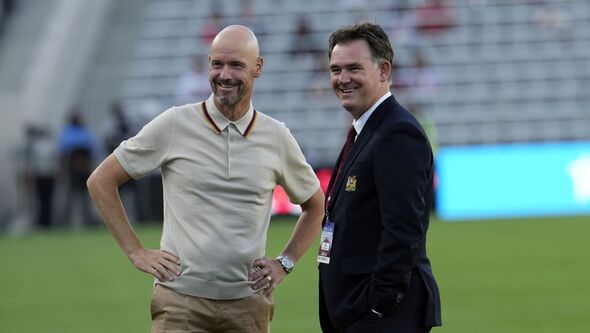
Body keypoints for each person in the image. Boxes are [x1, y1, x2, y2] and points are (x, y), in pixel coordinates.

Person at [87, 25, 324, 333]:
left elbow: (316, 205)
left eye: (236, 65)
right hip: (179, 303)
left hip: (248, 305)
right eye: (217, 64)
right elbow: (100, 181)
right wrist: (136, 252)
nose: (224, 75)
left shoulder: (276, 136)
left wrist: (285, 262)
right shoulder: (175, 123)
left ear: (258, 67)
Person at [318, 23, 442, 333]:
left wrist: (378, 303)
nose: (342, 79)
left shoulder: (397, 133)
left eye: (353, 68)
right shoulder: (366, 132)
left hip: (382, 315)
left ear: (383, 70)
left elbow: (403, 231)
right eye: (335, 69)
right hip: (357, 309)